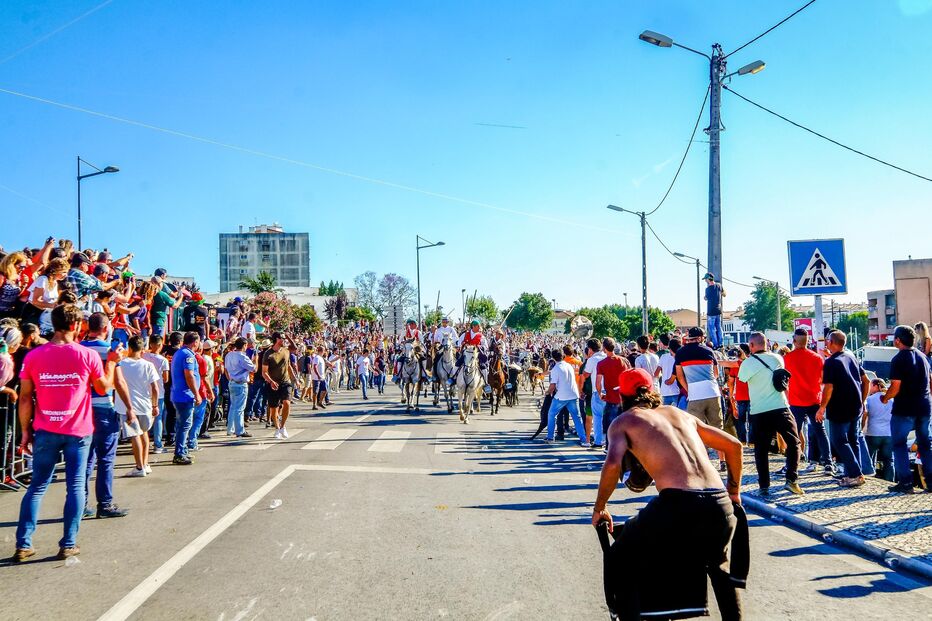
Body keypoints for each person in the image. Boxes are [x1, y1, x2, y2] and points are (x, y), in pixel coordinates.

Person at [592, 368, 745, 621]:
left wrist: (600, 507)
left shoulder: (624, 421)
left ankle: (631, 616)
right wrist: (734, 491)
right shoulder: (678, 414)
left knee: (622, 554)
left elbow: (612, 464)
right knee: (718, 566)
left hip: (679, 504)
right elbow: (734, 446)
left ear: (624, 397)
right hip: (719, 502)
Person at [12, 304, 120, 562]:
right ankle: (68, 543)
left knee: (37, 486)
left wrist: (25, 431)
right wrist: (113, 364)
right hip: (78, 430)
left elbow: (25, 398)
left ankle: (24, 543)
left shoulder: (34, 356)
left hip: (45, 427)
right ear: (77, 326)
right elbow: (104, 388)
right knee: (74, 486)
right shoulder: (87, 355)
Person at [80, 312, 133, 518]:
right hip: (103, 406)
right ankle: (105, 503)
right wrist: (129, 407)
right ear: (105, 329)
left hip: (83, 409)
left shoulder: (80, 348)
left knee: (86, 459)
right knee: (106, 459)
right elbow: (118, 382)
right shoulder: (109, 351)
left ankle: (81, 504)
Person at [739, 332, 804, 496]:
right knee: (794, 442)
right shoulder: (778, 359)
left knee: (761, 449)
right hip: (780, 407)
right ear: (766, 343)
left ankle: (764, 486)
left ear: (751, 346)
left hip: (759, 411)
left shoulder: (747, 363)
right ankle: (791, 480)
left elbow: (742, 379)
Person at [881, 324, 932, 494]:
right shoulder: (923, 357)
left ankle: (906, 482)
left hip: (905, 409)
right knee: (925, 445)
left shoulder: (899, 359)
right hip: (924, 407)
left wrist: (885, 397)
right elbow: (930, 382)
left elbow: (895, 387)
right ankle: (931, 483)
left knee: (899, 444)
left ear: (897, 340)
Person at [819, 330, 870, 488]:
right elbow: (866, 380)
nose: (826, 342)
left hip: (839, 407)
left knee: (839, 440)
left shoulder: (831, 362)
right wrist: (862, 401)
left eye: (827, 340)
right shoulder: (851, 357)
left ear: (832, 342)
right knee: (853, 440)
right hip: (855, 406)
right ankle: (853, 472)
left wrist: (822, 408)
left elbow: (829, 387)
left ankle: (855, 474)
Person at [783, 328, 833, 474]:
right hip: (814, 400)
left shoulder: (787, 358)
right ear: (808, 341)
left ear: (794, 341)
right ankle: (828, 463)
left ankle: (791, 464)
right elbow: (823, 380)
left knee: (794, 434)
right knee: (821, 432)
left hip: (796, 401)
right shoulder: (817, 358)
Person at [675, 327, 726, 468]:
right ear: (700, 338)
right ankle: (722, 461)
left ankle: (704, 462)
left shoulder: (680, 353)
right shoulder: (709, 351)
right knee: (717, 428)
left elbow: (680, 376)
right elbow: (715, 374)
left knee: (696, 430)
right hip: (712, 392)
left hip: (695, 394)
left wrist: (689, 389)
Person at [115, 336, 160, 477]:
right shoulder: (148, 365)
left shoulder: (121, 364)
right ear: (142, 349)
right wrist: (155, 405)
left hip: (126, 406)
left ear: (129, 347)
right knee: (144, 433)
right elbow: (155, 388)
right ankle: (145, 464)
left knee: (135, 436)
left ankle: (139, 467)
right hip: (145, 405)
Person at [545, 348, 588, 447]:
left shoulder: (556, 368)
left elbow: (553, 386)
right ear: (562, 356)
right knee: (577, 417)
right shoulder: (568, 365)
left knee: (551, 414)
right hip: (573, 394)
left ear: (553, 358)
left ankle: (550, 437)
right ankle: (583, 438)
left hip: (561, 396)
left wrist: (547, 392)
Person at [170, 331, 202, 465]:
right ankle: (179, 453)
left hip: (179, 394)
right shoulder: (187, 355)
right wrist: (196, 393)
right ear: (195, 342)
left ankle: (182, 450)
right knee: (184, 425)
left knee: (181, 425)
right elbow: (189, 375)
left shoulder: (180, 353)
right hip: (184, 395)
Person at [595, 337, 630, 443]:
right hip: (624, 397)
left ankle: (609, 447)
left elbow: (598, 383)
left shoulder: (601, 364)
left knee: (610, 426)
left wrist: (600, 393)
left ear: (604, 348)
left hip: (611, 398)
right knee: (624, 425)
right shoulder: (624, 361)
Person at [142, 335, 170, 454]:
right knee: (158, 418)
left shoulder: (144, 356)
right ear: (159, 345)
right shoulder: (163, 360)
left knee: (144, 418)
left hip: (144, 391)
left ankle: (144, 442)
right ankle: (157, 444)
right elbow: (166, 378)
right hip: (158, 393)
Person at [263, 332, 295, 438]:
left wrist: (295, 378)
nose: (284, 340)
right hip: (272, 383)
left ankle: (283, 426)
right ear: (277, 339)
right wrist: (271, 381)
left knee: (287, 403)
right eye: (282, 338)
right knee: (274, 408)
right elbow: (264, 372)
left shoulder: (286, 351)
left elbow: (289, 365)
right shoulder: (268, 354)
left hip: (285, 381)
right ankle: (277, 428)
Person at [864, 378, 894, 482]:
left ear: (876, 386)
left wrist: (862, 426)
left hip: (873, 432)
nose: (869, 389)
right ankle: (889, 481)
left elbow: (865, 413)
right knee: (889, 460)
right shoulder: (891, 399)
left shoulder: (870, 400)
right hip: (888, 433)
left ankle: (870, 479)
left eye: (871, 386)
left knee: (870, 459)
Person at [224, 337, 255, 438]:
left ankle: (230, 428)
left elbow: (226, 368)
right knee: (239, 408)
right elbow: (254, 369)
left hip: (232, 381)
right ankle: (239, 430)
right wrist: (256, 360)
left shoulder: (229, 355)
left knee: (233, 406)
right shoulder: (242, 357)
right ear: (244, 345)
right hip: (240, 383)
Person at [580, 338, 606, 448]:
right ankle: (606, 441)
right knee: (608, 418)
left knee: (597, 418)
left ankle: (598, 441)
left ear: (590, 349)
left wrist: (581, 389)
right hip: (609, 391)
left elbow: (585, 375)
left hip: (597, 391)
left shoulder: (592, 360)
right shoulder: (606, 356)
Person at [704, 273, 726, 349]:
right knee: (719, 327)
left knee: (712, 328)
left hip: (711, 311)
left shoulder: (707, 289)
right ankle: (721, 343)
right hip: (718, 310)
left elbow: (706, 298)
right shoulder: (719, 285)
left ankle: (716, 345)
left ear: (708, 279)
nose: (705, 281)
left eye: (705, 279)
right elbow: (724, 294)